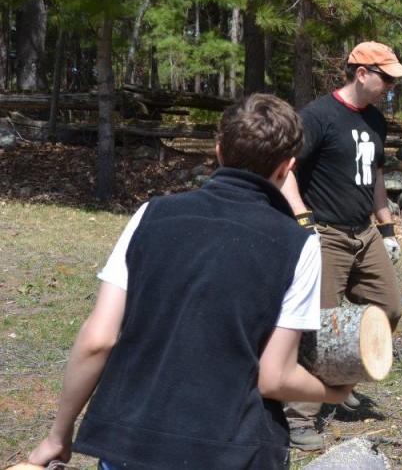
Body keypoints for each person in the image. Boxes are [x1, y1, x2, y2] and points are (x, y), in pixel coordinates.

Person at [27, 94, 353, 469]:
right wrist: (334, 393)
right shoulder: (300, 245)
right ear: (287, 167)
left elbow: (97, 340)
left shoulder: (151, 215)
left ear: (218, 151)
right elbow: (274, 377)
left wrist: (58, 435)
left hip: (131, 448)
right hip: (232, 452)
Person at [280, 41, 402, 450]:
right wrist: (303, 219)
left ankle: (337, 381)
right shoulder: (317, 116)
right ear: (362, 73)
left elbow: (375, 178)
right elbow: (284, 171)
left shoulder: (376, 120)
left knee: (388, 308)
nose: (391, 86)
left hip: (364, 232)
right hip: (327, 235)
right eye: (386, 78)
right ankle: (297, 419)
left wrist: (386, 230)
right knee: (318, 324)